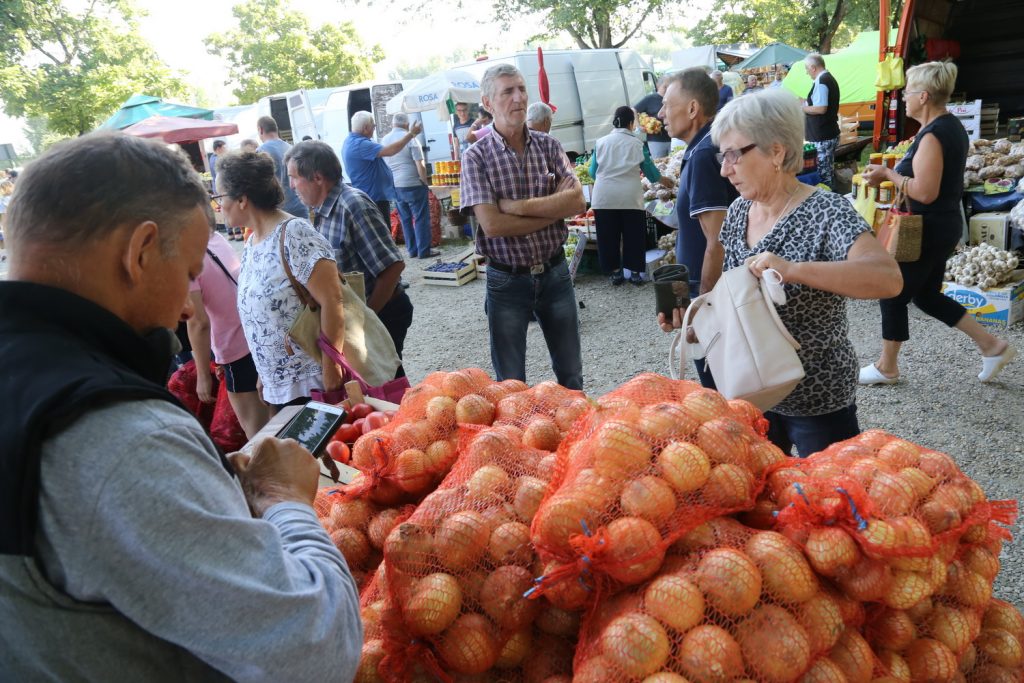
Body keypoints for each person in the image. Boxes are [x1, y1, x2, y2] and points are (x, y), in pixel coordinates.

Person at [0, 132, 361, 680]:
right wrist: (285, 498)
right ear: (140, 252)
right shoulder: (122, 440)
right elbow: (315, 648)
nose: (187, 303)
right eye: (192, 273)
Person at [689, 89, 902, 456]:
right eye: (721, 157)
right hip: (751, 391)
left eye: (733, 155)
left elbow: (887, 278)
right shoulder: (740, 210)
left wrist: (795, 270)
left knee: (827, 502)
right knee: (766, 498)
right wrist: (695, 316)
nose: (724, 169)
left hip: (817, 397)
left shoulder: (826, 210)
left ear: (776, 151)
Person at [861, 62, 1016, 385]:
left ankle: (887, 367)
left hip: (926, 228)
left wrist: (888, 174)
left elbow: (925, 192)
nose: (904, 98)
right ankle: (992, 345)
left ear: (925, 96)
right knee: (926, 295)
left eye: (908, 92)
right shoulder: (951, 127)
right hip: (942, 225)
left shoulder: (933, 135)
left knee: (892, 291)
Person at [460, 63, 586, 389]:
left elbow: (576, 202)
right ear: (487, 103)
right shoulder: (476, 157)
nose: (518, 98)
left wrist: (517, 208)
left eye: (521, 89)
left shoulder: (548, 145)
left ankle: (577, 436)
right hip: (506, 281)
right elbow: (492, 225)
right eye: (507, 92)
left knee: (571, 376)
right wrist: (552, 212)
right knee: (511, 384)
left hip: (556, 273)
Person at [217, 151, 348, 412]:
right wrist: (263, 371)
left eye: (219, 197)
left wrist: (331, 364)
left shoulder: (294, 234)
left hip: (313, 382)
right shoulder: (253, 242)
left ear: (242, 199)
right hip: (278, 386)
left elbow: (333, 300)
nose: (218, 205)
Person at [286, 141, 414, 369]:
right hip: (358, 317)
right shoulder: (319, 209)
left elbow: (393, 266)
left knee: (385, 382)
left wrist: (367, 319)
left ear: (317, 178)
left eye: (294, 177)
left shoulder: (353, 204)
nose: (291, 185)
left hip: (384, 311)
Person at [657, 68, 739, 387]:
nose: (661, 113)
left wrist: (700, 310)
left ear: (692, 109)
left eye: (667, 104)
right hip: (709, 293)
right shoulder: (701, 148)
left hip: (715, 300)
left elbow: (717, 242)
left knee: (722, 392)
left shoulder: (705, 155)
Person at [186, 221, 270, 438]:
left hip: (234, 348)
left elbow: (198, 323)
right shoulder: (214, 238)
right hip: (255, 336)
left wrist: (203, 375)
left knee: (258, 434)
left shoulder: (184, 258)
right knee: (274, 422)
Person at [589, 106, 671, 286]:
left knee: (608, 236)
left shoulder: (601, 142)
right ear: (631, 123)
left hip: (603, 197)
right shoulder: (637, 144)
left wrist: (607, 179)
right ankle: (634, 273)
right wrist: (666, 181)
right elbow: (651, 173)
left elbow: (592, 171)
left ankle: (616, 273)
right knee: (633, 235)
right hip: (630, 197)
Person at [341, 110, 423, 225]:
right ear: (365, 128)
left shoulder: (351, 141)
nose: (374, 128)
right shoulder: (361, 144)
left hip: (370, 195)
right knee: (383, 232)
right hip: (374, 197)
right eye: (373, 126)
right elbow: (390, 151)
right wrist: (411, 134)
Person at [382, 113, 437, 259]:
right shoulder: (411, 139)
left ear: (393, 124)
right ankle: (424, 251)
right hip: (413, 183)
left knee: (405, 218)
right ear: (407, 124)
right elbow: (420, 164)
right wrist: (424, 182)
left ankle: (412, 250)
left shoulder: (384, 140)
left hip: (396, 185)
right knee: (420, 218)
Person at [256, 116, 307, 217]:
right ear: (276, 129)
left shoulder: (260, 152)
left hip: (279, 211)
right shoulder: (292, 148)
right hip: (300, 206)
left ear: (260, 130)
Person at [802, 53, 841, 187]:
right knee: (828, 171)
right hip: (826, 134)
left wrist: (801, 108)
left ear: (813, 67)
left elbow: (821, 108)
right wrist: (805, 102)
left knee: (824, 175)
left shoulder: (821, 81)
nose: (806, 73)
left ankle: (830, 201)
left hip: (823, 136)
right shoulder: (827, 78)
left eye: (807, 69)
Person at [634, 78, 672, 159]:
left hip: (673, 138)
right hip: (656, 140)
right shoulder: (650, 98)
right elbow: (633, 110)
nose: (667, 89)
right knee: (659, 165)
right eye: (665, 86)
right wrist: (638, 126)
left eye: (669, 86)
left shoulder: (672, 98)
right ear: (659, 86)